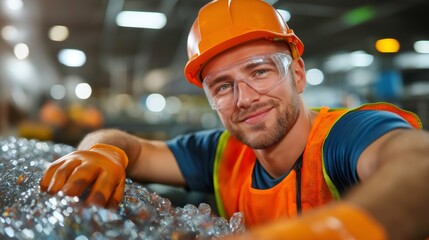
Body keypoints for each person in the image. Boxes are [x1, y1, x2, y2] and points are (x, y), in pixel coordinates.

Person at [40, 0, 429, 239]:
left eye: (260, 72)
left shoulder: (344, 138)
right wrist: (101, 150)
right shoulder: (224, 153)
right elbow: (132, 146)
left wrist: (339, 230)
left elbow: (419, 163)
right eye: (223, 87)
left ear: (297, 75)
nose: (245, 99)